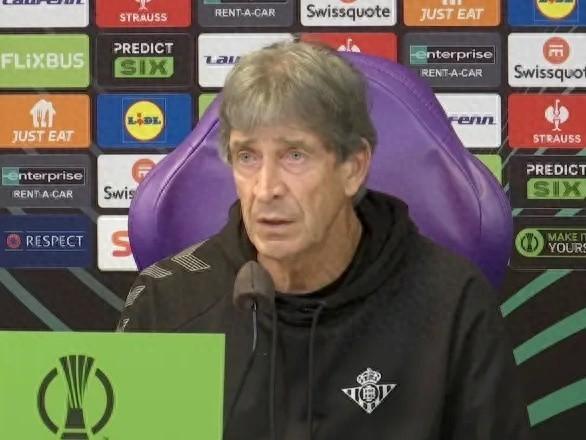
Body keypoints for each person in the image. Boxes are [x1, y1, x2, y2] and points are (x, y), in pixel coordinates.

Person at [117, 41, 533, 440]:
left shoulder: (452, 302)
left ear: (353, 168)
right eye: (247, 157)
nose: (266, 189)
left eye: (294, 155)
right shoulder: (168, 302)